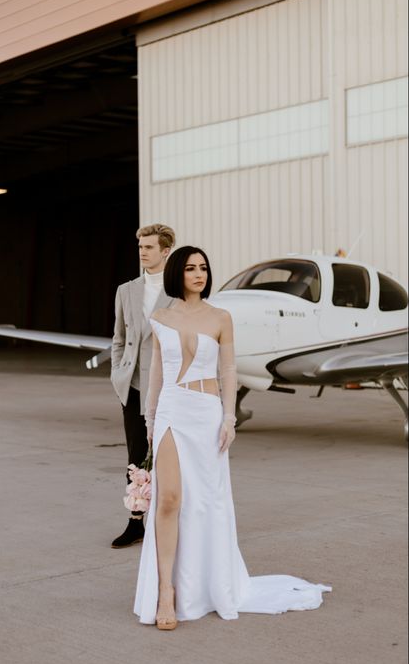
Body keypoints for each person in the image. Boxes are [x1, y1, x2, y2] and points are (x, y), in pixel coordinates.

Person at [134, 246, 331, 629]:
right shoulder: (159, 318)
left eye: (204, 268)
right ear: (177, 273)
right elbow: (156, 372)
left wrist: (229, 418)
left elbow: (228, 370)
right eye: (190, 268)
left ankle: (206, 584)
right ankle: (166, 592)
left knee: (207, 504)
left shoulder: (221, 317)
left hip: (207, 415)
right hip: (172, 413)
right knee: (169, 499)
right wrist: (151, 418)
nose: (199, 274)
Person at [110, 223, 176, 548]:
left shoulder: (178, 293)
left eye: (149, 247)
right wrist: (118, 374)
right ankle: (136, 521)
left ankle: (166, 520)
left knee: (166, 456)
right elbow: (118, 339)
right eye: (140, 247)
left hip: (167, 388)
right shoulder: (126, 290)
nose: (142, 252)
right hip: (134, 386)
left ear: (165, 251)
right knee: (135, 456)